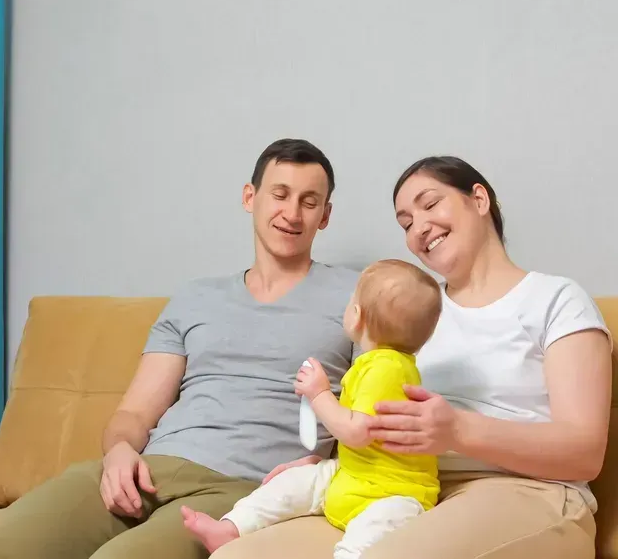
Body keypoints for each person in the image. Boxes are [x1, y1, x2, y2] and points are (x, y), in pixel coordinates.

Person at [0, 138, 358, 559]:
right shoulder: (197, 297)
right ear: (250, 198)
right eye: (280, 194)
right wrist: (119, 451)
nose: (292, 213)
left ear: (325, 216)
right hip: (150, 467)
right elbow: (135, 413)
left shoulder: (358, 297)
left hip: (244, 488)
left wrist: (328, 468)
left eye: (309, 201)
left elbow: (375, 407)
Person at [251, 155, 612, 559]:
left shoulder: (557, 300)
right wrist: (326, 463)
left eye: (429, 203)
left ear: (479, 199)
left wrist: (457, 430)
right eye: (405, 223)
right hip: (401, 492)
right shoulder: (409, 314)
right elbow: (369, 409)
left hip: (528, 490)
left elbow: (584, 453)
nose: (418, 228)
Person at [182, 259, 441, 559]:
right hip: (354, 474)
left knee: (372, 537)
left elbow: (357, 431)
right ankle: (232, 528)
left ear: (356, 316)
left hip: (395, 495)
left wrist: (318, 394)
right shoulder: (376, 365)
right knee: (294, 482)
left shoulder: (386, 368)